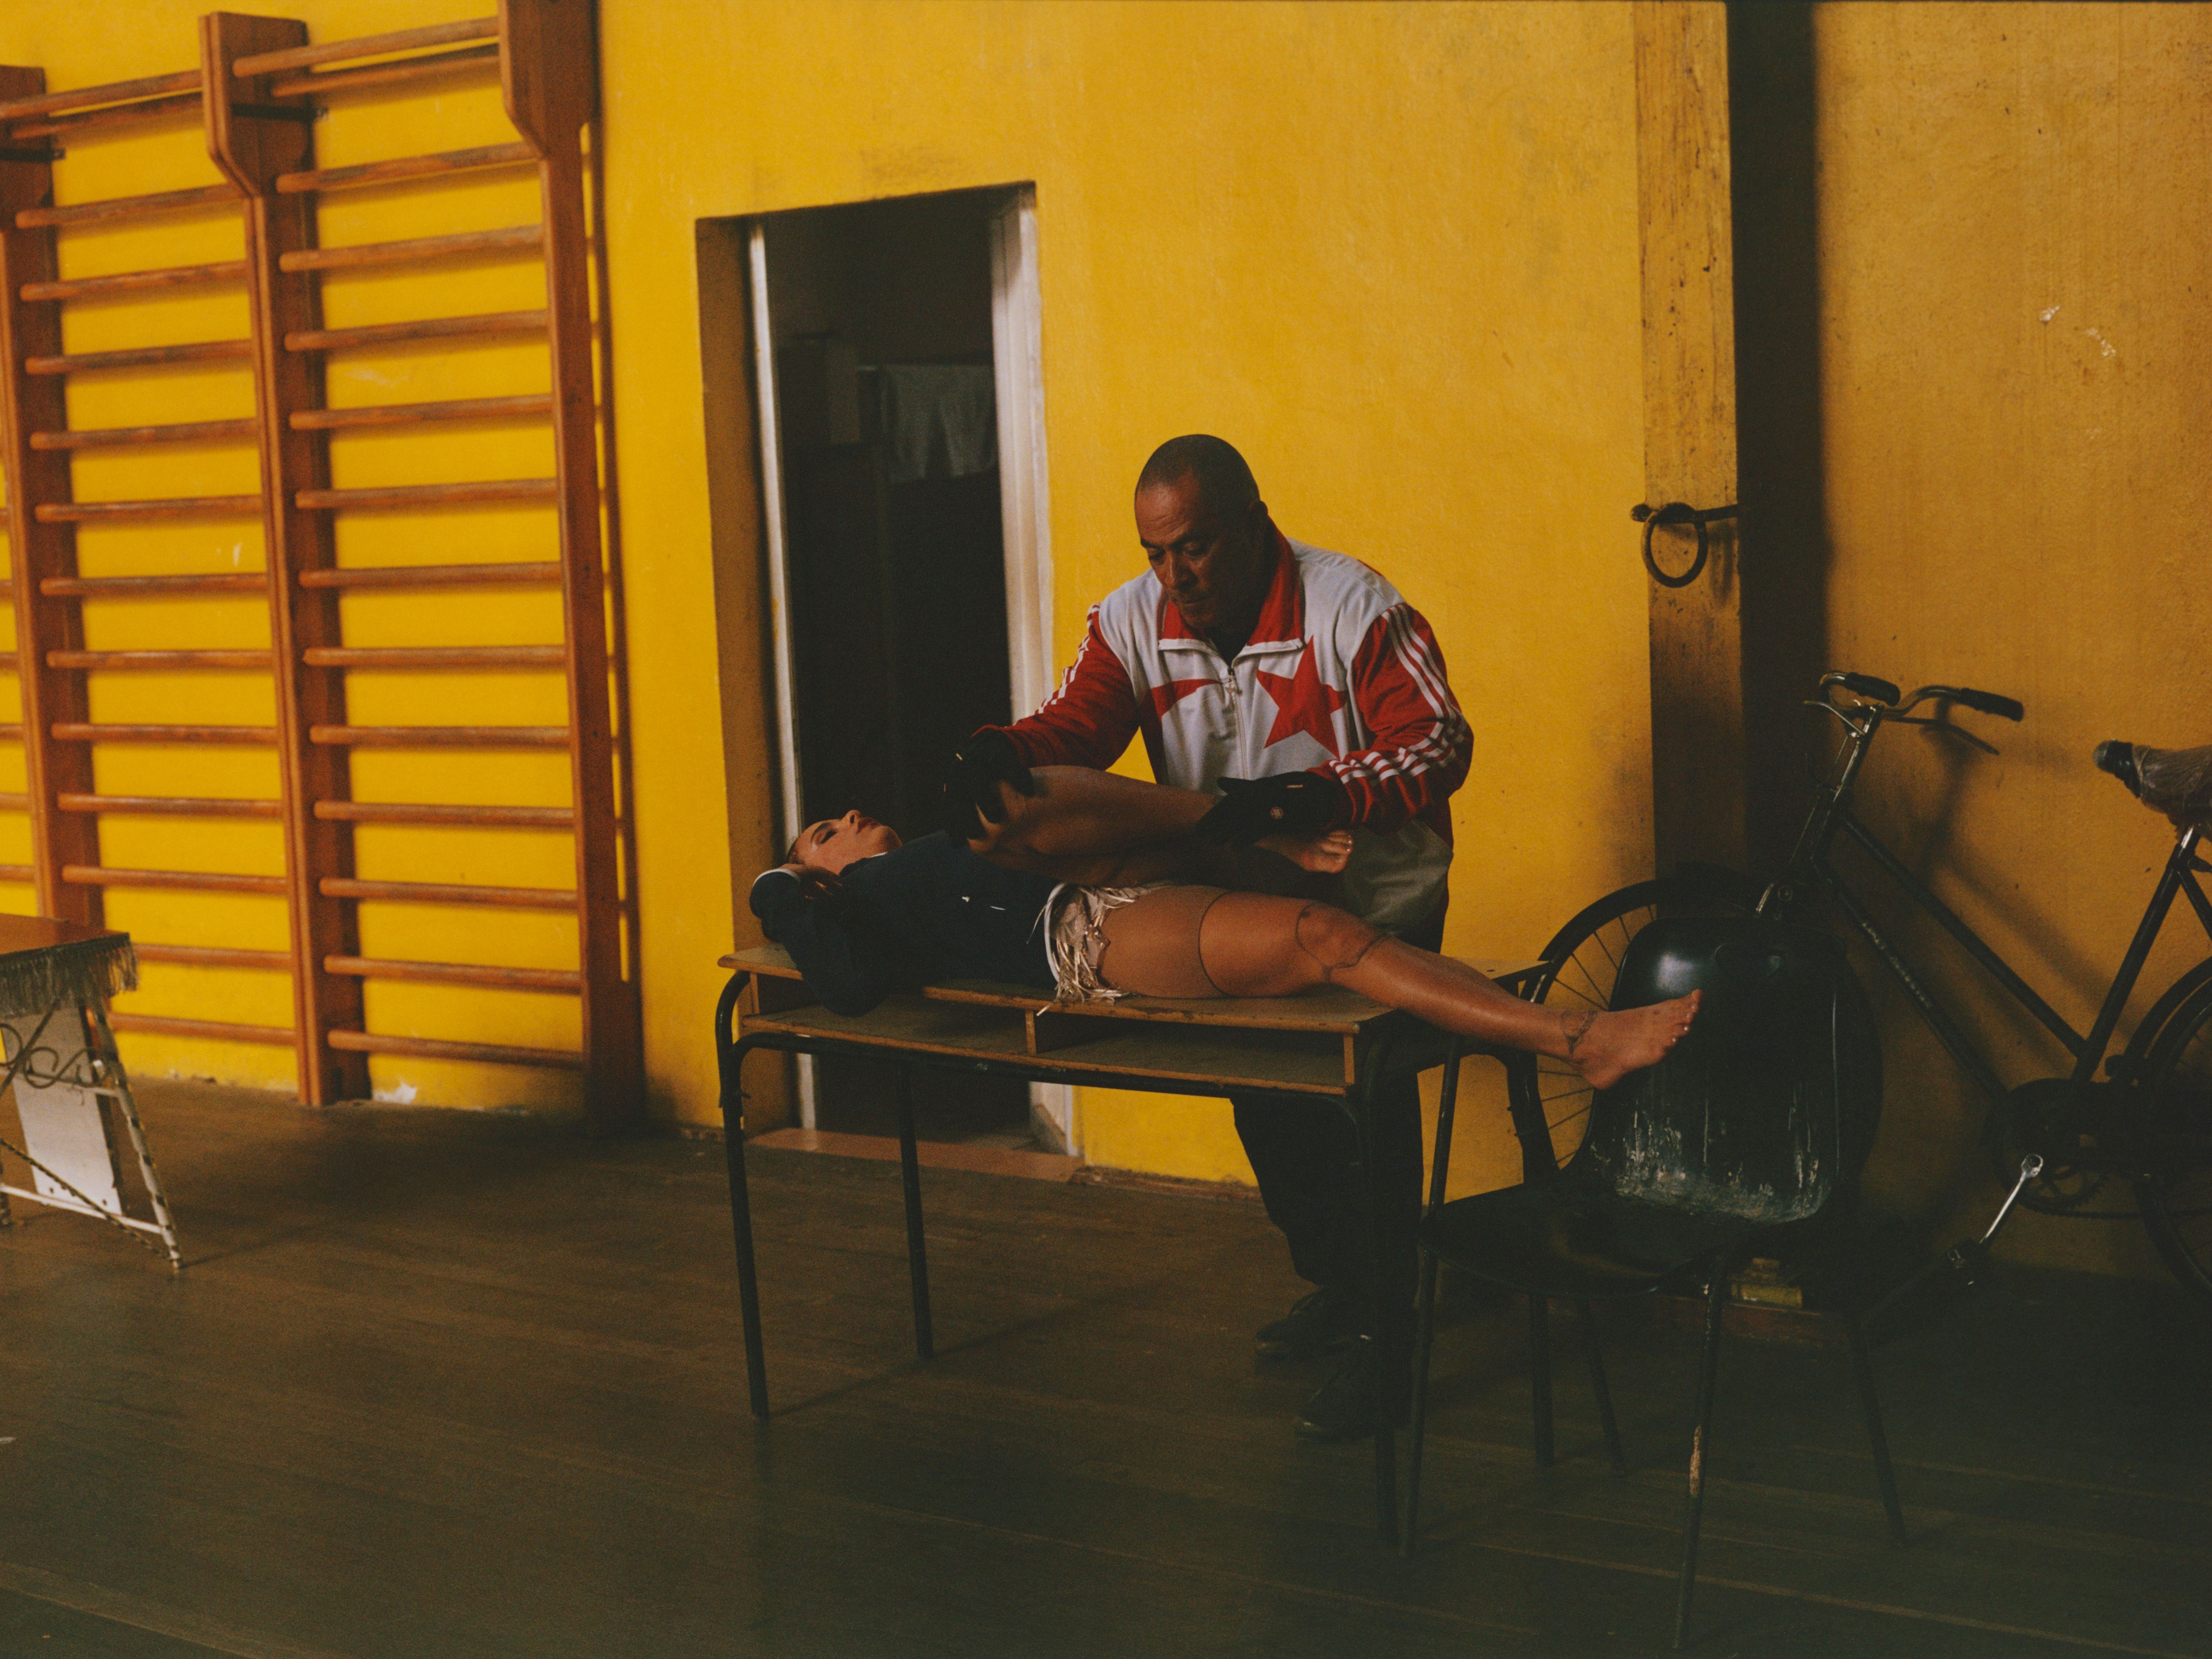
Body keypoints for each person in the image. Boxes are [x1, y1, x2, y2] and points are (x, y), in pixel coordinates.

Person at [938, 436, 1477, 1439]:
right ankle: (1343, 1289)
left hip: (1377, 901)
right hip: (1242, 897)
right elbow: (1077, 726)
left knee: (1365, 1117)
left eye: (1194, 549)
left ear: (1251, 524)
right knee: (1269, 1106)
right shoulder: (1132, 619)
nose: (1174, 575)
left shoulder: (1354, 605)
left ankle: (1391, 1339)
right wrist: (1003, 748)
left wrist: (1321, 793)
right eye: (1156, 554)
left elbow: (1441, 742)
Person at [751, 766, 1695, 1102]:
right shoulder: (868, 899)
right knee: (1327, 935)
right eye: (823, 835)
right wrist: (779, 890)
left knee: (1012, 798)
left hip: (1093, 878)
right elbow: (844, 985)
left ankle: (1242, 818)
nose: (845, 815)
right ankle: (1582, 1041)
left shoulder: (924, 856)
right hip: (1087, 934)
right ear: (820, 877)